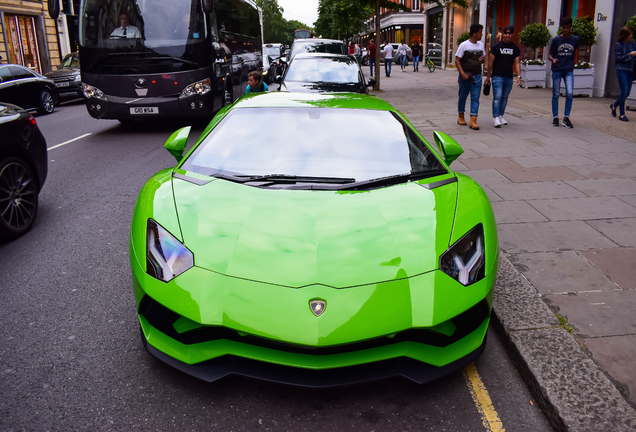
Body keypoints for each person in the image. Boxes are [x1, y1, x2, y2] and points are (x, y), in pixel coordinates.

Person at [485, 25, 521, 127]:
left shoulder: (515, 48)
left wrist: (519, 76)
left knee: (505, 97)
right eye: (506, 33)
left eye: (509, 33)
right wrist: (488, 77)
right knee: (498, 96)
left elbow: (517, 63)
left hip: (509, 76)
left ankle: (501, 115)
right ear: (503, 34)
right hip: (497, 75)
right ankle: (495, 117)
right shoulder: (496, 47)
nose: (507, 35)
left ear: (513, 34)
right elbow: (490, 63)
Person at [548, 16, 580, 129]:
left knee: (570, 93)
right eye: (563, 28)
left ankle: (566, 118)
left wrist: (573, 64)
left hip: (568, 69)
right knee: (556, 94)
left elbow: (575, 52)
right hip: (557, 69)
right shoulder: (556, 40)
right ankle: (555, 117)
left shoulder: (575, 39)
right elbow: (549, 54)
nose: (565, 30)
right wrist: (553, 59)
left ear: (571, 27)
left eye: (567, 28)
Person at [455, 23, 486, 130]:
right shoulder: (464, 45)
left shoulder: (481, 45)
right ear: (474, 34)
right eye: (480, 32)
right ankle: (461, 116)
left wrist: (483, 60)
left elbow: (483, 58)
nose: (481, 34)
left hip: (477, 76)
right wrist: (462, 74)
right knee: (462, 97)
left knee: (475, 98)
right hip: (465, 76)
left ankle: (473, 119)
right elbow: (457, 60)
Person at [611, 27, 636, 122]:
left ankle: (614, 105)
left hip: (631, 70)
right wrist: (630, 55)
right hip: (622, 70)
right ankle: (622, 114)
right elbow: (618, 59)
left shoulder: (633, 44)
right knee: (624, 90)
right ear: (625, 35)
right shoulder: (619, 45)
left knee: (627, 93)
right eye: (630, 34)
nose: (631, 36)